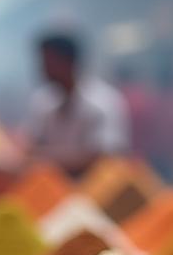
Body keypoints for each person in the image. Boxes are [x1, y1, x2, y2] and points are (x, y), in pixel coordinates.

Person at [23, 32, 128, 176]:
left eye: (47, 61)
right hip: (54, 187)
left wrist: (45, 157)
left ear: (66, 61)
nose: (42, 68)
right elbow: (32, 144)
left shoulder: (103, 101)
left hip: (95, 188)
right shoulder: (43, 101)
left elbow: (106, 155)